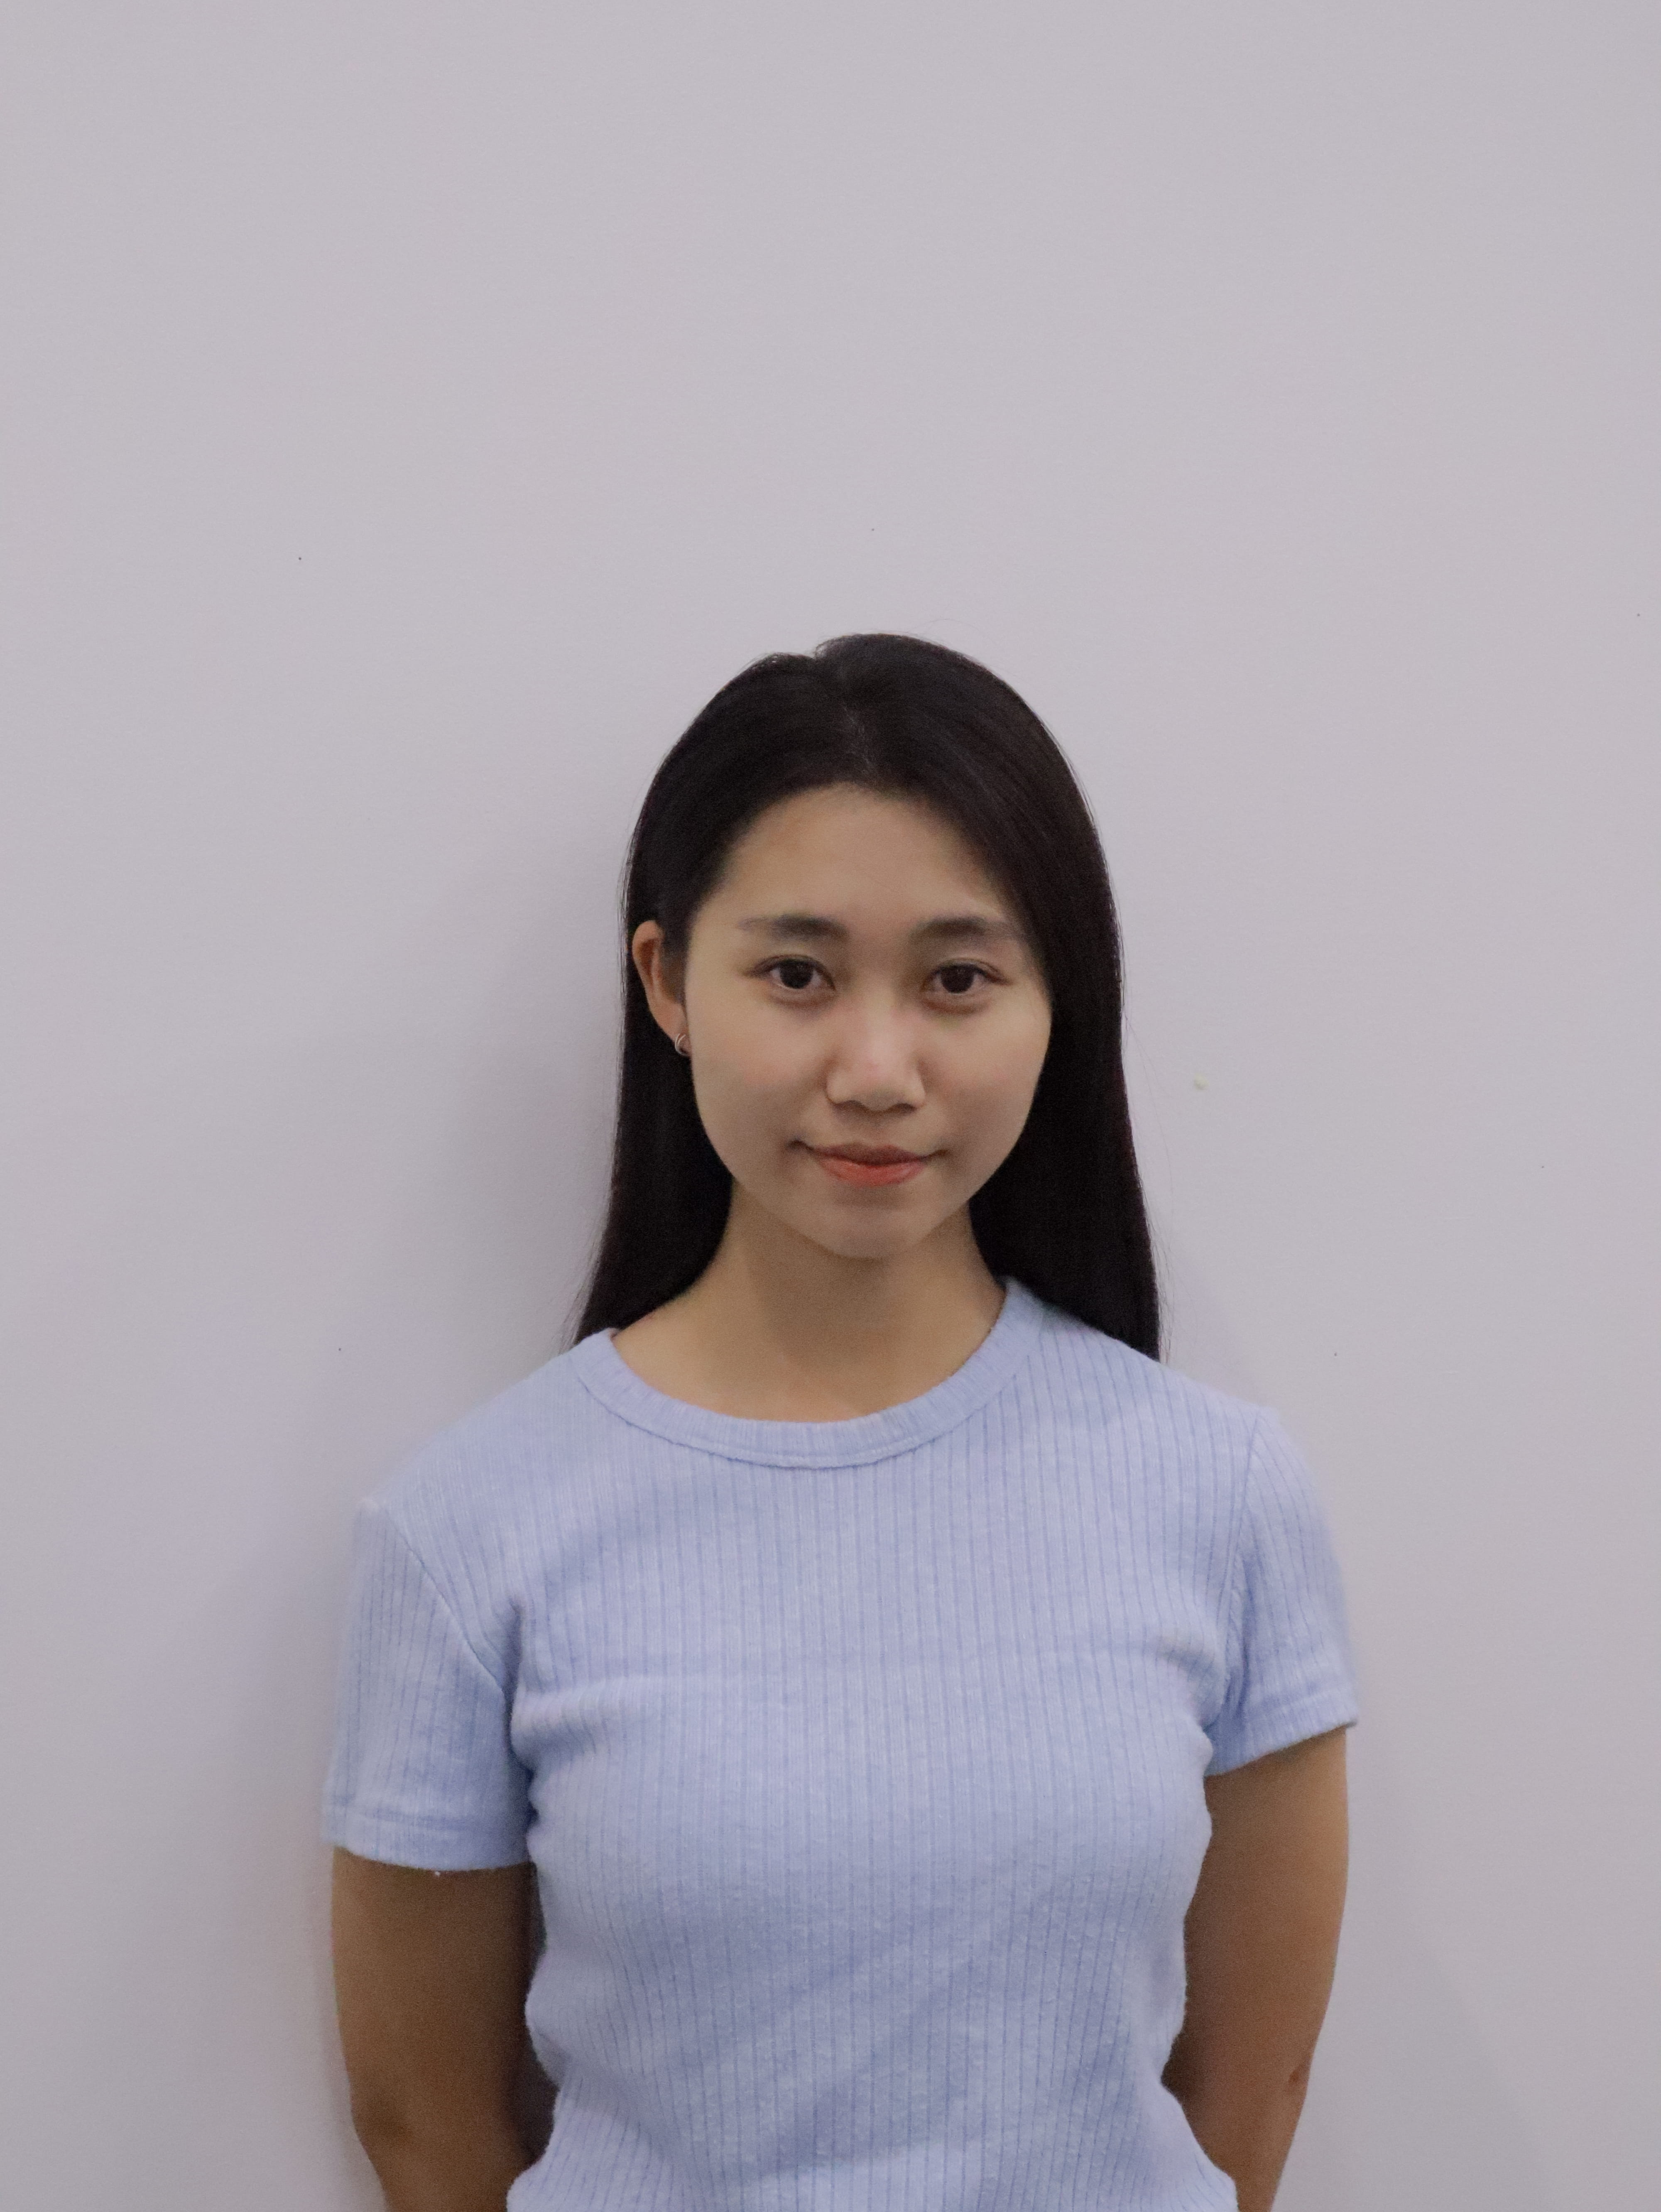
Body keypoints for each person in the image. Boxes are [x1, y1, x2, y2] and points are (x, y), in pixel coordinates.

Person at [324, 633, 1359, 2212]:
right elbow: (425, 2123)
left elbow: (1249, 2093)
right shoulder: (473, 1532)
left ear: (1053, 1001)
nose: (877, 1070)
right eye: (796, 974)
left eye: (959, 978)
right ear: (669, 982)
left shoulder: (1217, 1491)